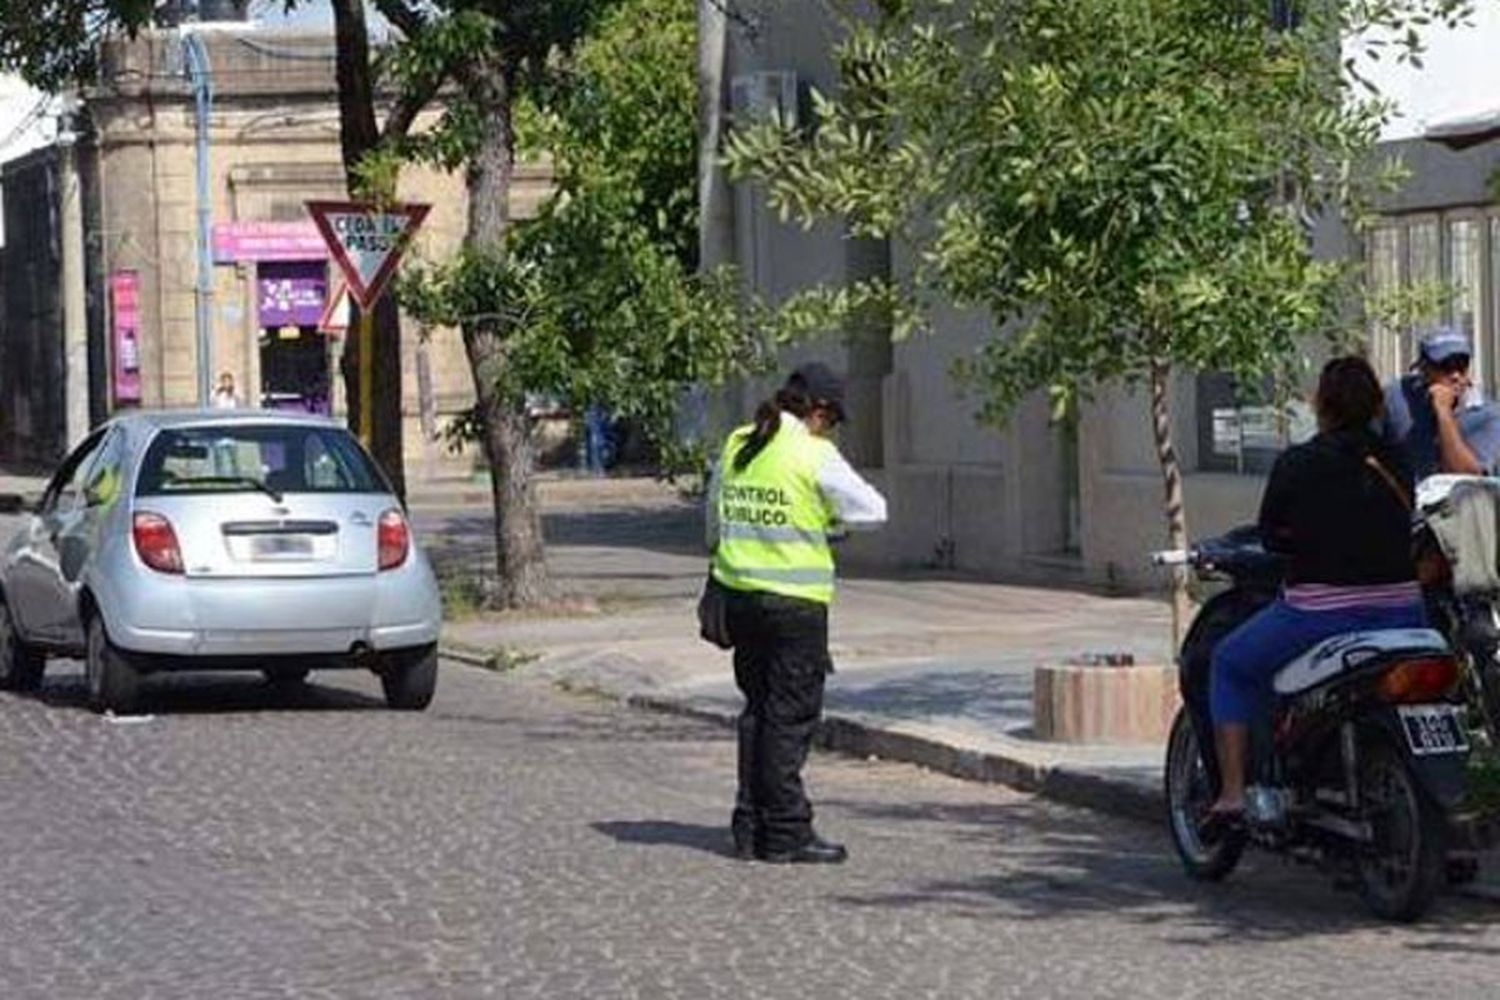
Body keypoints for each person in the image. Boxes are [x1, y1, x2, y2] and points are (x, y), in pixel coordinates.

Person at [1207, 356, 1426, 825]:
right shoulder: (1397, 460)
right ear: (1375, 405)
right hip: (1405, 612)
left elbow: (1272, 535)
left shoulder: (1299, 462)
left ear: (1321, 405)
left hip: (1319, 614)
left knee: (1229, 662)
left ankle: (1230, 794)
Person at [706, 362, 887, 863]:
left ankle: (749, 824)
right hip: (794, 608)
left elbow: (713, 516)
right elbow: (874, 510)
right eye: (833, 420)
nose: (832, 429)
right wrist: (828, 516)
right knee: (788, 720)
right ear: (820, 411)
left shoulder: (740, 441)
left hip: (739, 595)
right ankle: (786, 831)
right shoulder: (812, 453)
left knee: (757, 713)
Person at [1382, 326, 1500, 479]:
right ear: (1424, 368)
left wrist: (1444, 412)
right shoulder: (1396, 396)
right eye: (1446, 366)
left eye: (1462, 365)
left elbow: (1466, 477)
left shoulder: (1486, 415)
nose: (1456, 375)